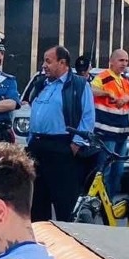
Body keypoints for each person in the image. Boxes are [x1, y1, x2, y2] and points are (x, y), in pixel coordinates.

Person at [26, 45, 95, 222]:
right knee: (37, 202)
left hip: (62, 147)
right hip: (37, 148)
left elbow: (87, 116)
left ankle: (66, 245)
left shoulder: (79, 85)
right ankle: (41, 242)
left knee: (65, 203)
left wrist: (75, 144)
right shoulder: (41, 83)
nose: (44, 65)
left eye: (48, 61)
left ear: (62, 63)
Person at [90, 49, 129, 196]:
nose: (124, 63)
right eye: (121, 60)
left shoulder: (126, 80)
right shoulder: (104, 77)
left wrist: (127, 98)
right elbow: (90, 90)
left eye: (126, 61)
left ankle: (111, 202)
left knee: (118, 171)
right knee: (104, 170)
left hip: (122, 133)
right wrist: (106, 93)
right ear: (111, 61)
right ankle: (101, 204)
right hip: (106, 132)